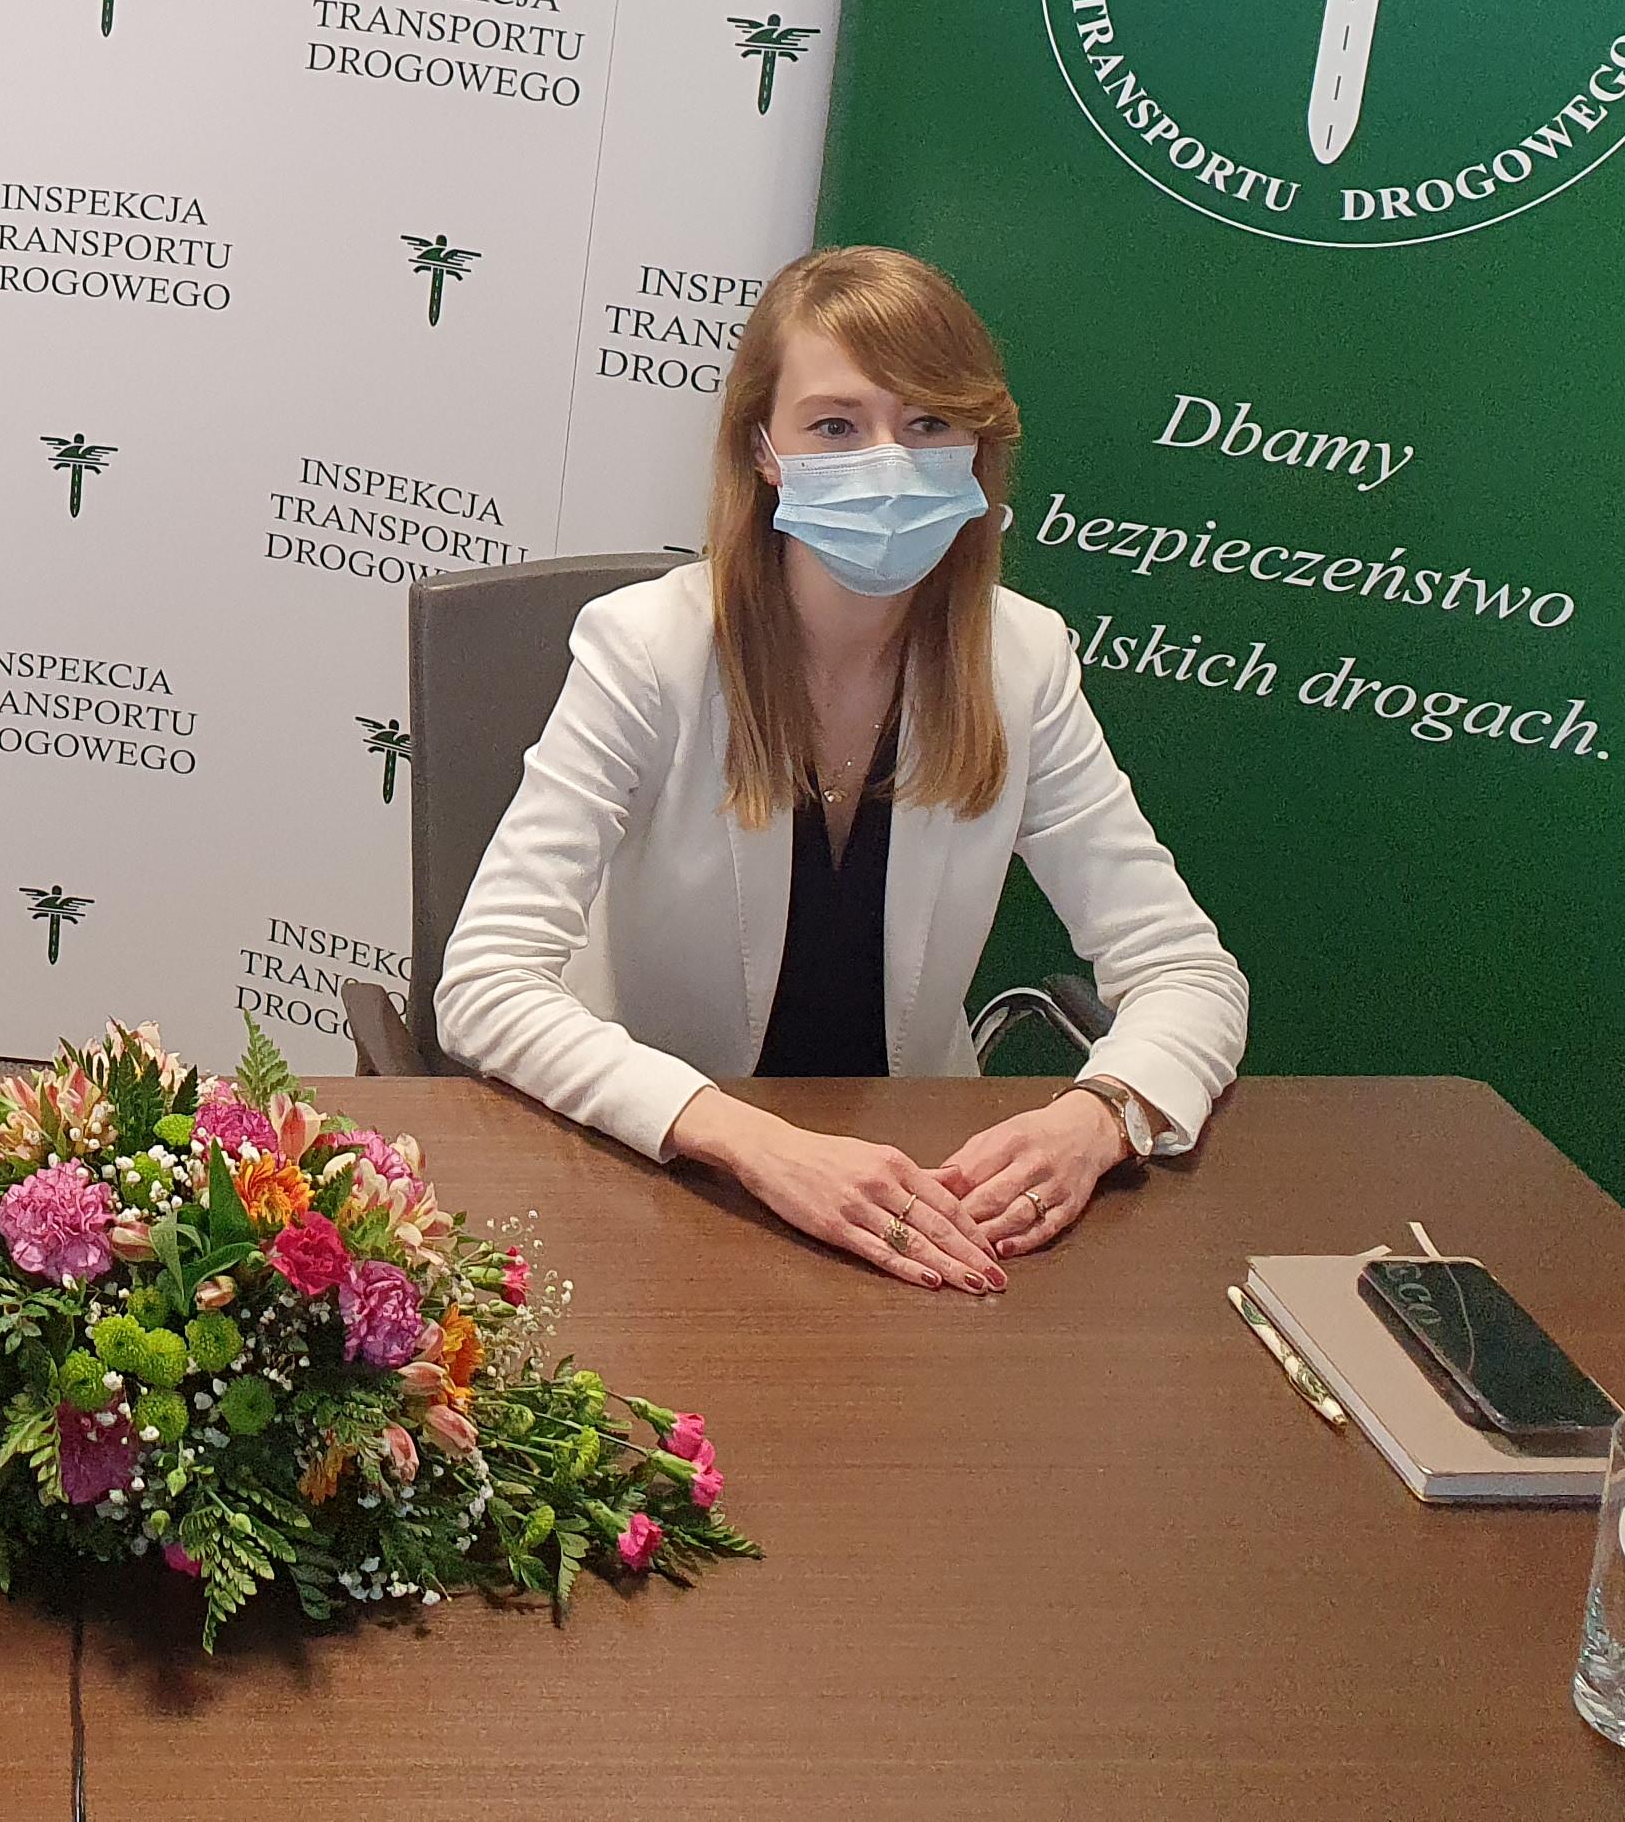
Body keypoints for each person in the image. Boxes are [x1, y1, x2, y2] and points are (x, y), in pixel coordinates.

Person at [434, 245, 1246, 1294]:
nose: (888, 462)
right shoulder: (646, 650)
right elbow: (487, 983)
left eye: (929, 424)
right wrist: (751, 1141)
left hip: (920, 1193)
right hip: (671, 1184)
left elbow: (1187, 971)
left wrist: (1104, 1115)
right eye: (835, 426)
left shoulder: (1022, 660)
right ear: (763, 450)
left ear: (976, 450)